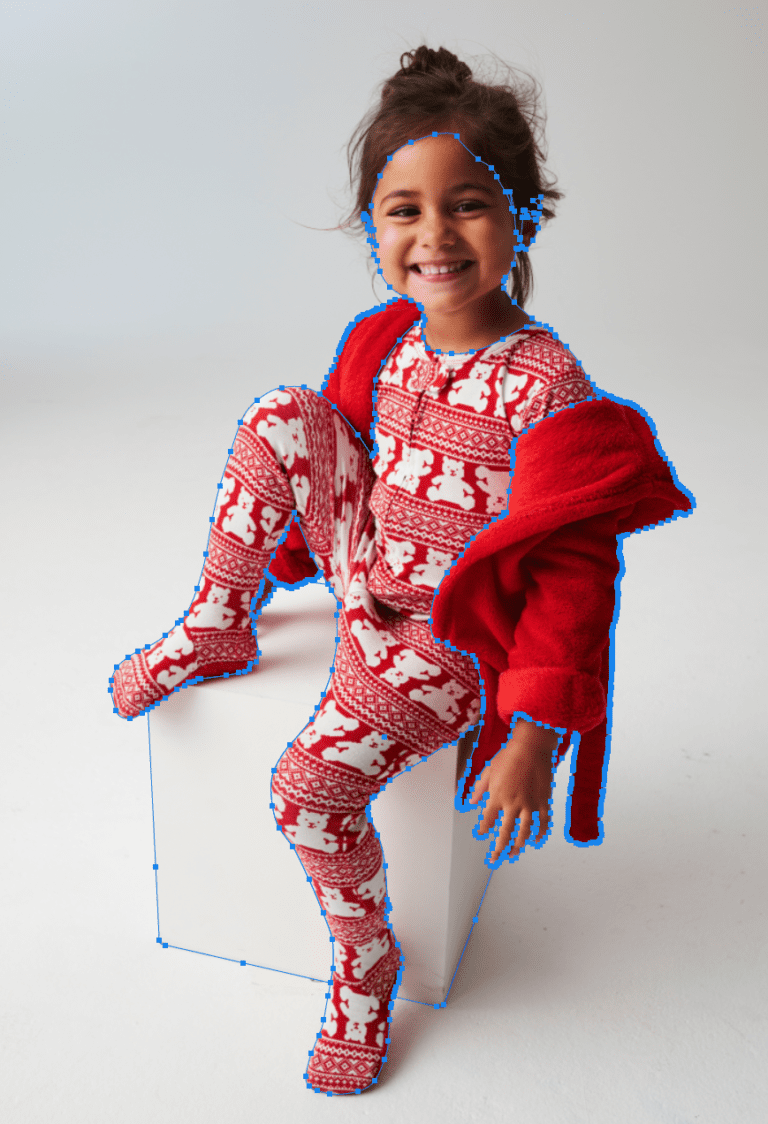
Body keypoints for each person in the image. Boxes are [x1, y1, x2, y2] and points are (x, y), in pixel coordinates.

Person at [110, 46, 693, 1096]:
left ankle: (362, 957)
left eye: (467, 205)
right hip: (361, 574)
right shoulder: (383, 340)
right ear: (372, 228)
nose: (434, 238)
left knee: (304, 792)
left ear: (523, 215)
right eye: (402, 211)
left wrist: (530, 734)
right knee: (281, 409)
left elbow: (571, 578)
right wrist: (289, 556)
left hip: (444, 642)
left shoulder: (547, 386)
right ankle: (216, 618)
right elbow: (336, 460)